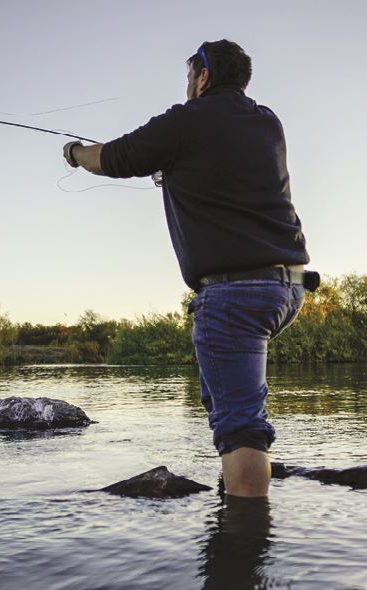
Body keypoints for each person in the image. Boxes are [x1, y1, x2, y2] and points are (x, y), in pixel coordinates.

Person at [63, 39, 310, 498]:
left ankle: (245, 546)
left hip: (236, 290)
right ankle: (236, 503)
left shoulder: (186, 119)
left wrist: (75, 153)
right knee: (231, 406)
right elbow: (220, 168)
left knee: (241, 427)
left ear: (203, 76)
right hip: (288, 286)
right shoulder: (267, 122)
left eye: (189, 78)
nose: (187, 87)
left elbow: (113, 158)